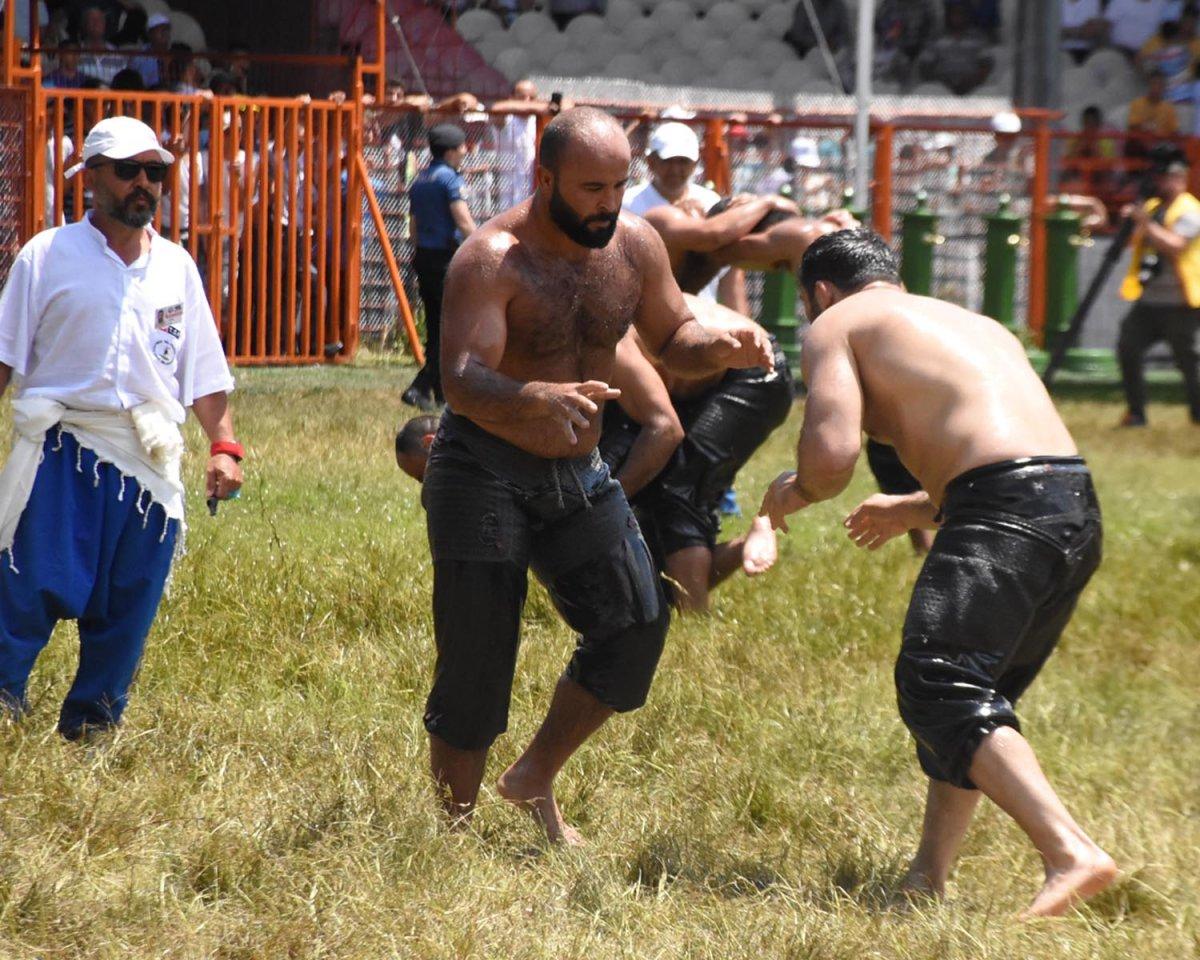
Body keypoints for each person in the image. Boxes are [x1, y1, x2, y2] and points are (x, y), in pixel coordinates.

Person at [425, 107, 774, 843]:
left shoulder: (635, 246)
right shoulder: (492, 259)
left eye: (619, 185)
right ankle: (450, 835)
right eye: (590, 188)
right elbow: (459, 379)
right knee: (479, 657)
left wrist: (721, 346)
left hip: (576, 467)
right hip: (480, 467)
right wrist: (532, 397)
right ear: (544, 177)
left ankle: (532, 778)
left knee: (638, 624)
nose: (608, 204)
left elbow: (673, 336)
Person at [758, 229, 1116, 918]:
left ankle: (1069, 850)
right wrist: (915, 507)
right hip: (1073, 508)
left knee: (937, 683)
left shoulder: (837, 322)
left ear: (820, 292)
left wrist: (793, 492)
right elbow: (1020, 449)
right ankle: (928, 876)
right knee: (976, 698)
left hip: (1003, 510)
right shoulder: (971, 322)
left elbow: (830, 458)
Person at [0, 116, 243, 740]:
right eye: (129, 170)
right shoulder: (45, 255)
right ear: (90, 178)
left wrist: (223, 446)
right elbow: (4, 357)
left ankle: (93, 726)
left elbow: (203, 372)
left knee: (128, 604)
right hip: (61, 449)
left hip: (149, 461)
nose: (144, 184)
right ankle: (3, 706)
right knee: (28, 586)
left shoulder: (177, 268)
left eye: (155, 172)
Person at [622, 294, 792, 612]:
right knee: (651, 516)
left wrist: (611, 497)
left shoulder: (609, 332)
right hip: (699, 379)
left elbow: (664, 428)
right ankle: (743, 547)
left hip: (753, 369)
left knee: (678, 490)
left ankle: (694, 620)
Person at [1116, 155, 1200, 426]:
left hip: (1182, 302)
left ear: (1179, 180)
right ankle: (1136, 413)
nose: (1160, 183)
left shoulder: (1191, 211)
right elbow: (1135, 240)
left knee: (1189, 362)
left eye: (1166, 178)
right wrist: (1130, 221)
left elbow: (1175, 245)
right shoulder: (1151, 207)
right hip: (1150, 300)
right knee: (1128, 347)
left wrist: (1145, 223)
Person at [623, 121, 744, 308]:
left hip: (704, 316)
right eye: (668, 161)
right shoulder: (628, 204)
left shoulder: (710, 201)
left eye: (683, 162)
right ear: (651, 161)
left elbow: (731, 276)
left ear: (695, 162)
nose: (675, 170)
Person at [402, 123, 477, 410]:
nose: (464, 152)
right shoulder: (449, 180)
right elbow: (462, 219)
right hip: (446, 258)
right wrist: (482, 242)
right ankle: (420, 386)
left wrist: (419, 253)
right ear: (450, 151)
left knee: (436, 326)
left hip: (424, 256)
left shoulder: (421, 179)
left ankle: (438, 392)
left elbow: (414, 225)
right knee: (452, 328)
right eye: (461, 148)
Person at [916, 2, 993, 95]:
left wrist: (973, 81)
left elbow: (986, 65)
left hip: (972, 89)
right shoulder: (937, 38)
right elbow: (924, 66)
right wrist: (940, 81)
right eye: (954, 14)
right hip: (941, 89)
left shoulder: (978, 38)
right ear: (948, 16)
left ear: (967, 15)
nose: (958, 17)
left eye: (961, 13)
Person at [129, 11, 171, 89]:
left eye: (166, 29)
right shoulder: (139, 57)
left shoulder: (173, 54)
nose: (164, 32)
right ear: (150, 34)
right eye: (160, 29)